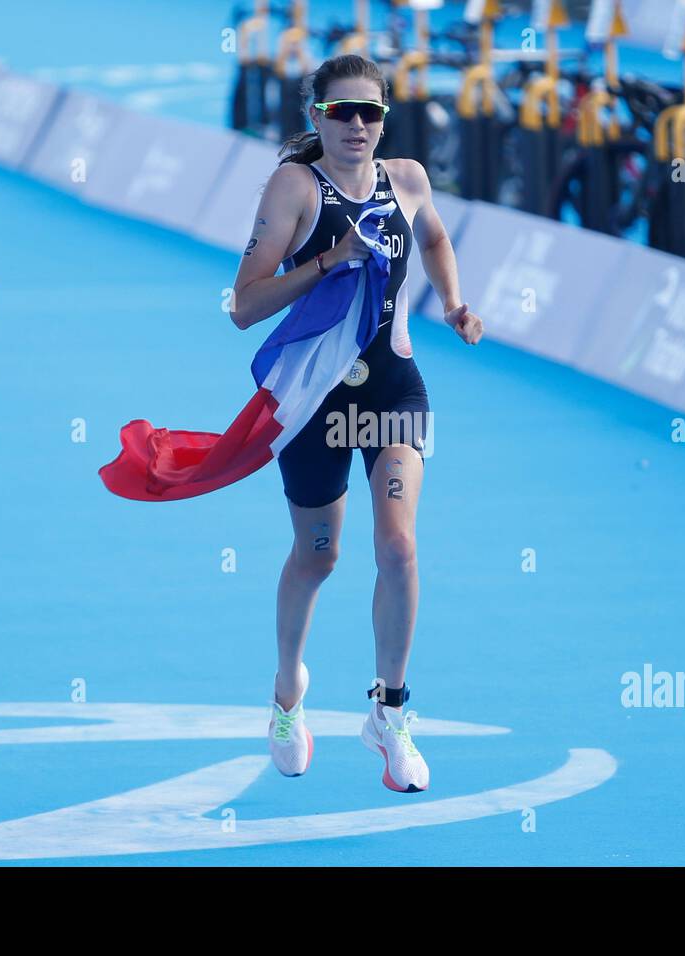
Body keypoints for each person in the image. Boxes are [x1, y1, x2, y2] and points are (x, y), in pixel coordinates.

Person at [229, 54, 483, 792]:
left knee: (399, 547)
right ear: (317, 118)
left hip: (393, 391)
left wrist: (456, 301)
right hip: (314, 400)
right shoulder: (294, 189)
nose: (357, 126)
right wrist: (331, 259)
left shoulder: (406, 179)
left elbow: (433, 238)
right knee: (318, 556)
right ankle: (286, 693)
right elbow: (245, 303)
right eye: (341, 112)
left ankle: (391, 711)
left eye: (370, 112)